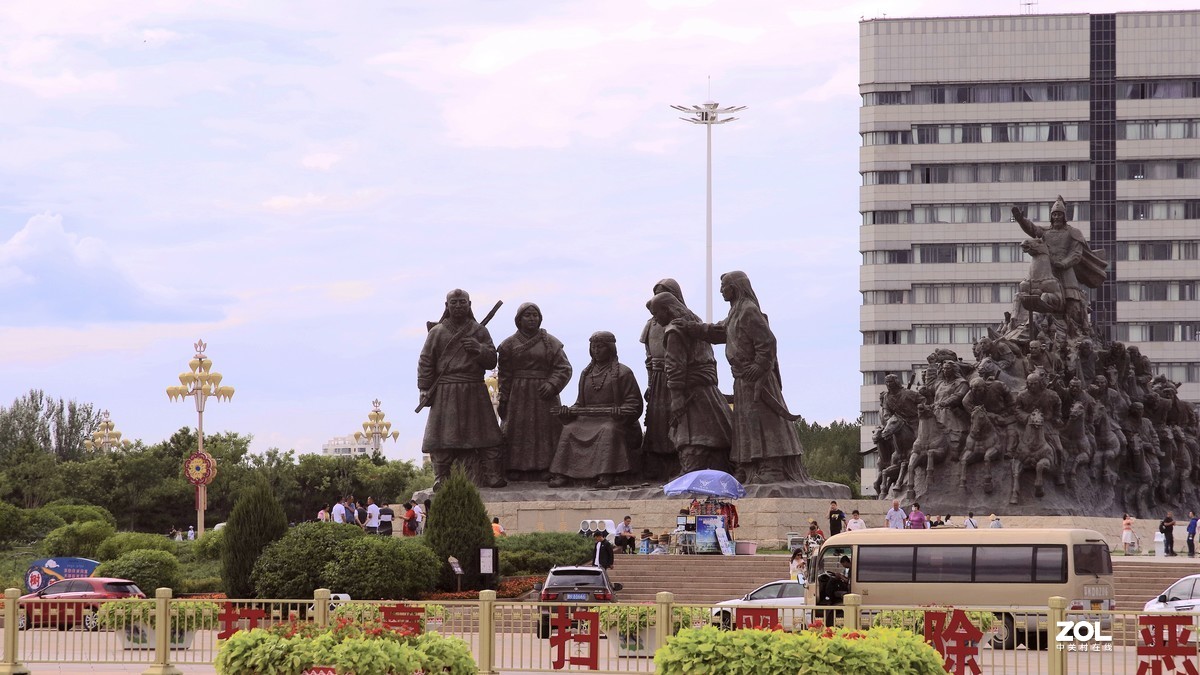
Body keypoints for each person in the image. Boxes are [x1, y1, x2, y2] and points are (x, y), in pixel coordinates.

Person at [681, 271, 810, 483]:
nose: (721, 290)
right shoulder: (735, 312)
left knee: (763, 421)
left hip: (757, 379)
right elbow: (718, 332)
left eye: (724, 286)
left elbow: (767, 341)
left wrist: (759, 366)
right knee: (745, 422)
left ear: (735, 286)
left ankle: (772, 467)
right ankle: (749, 466)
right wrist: (692, 328)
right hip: (741, 378)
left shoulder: (749, 310)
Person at [418, 289, 506, 490]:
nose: (458, 306)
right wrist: (424, 387)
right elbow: (426, 361)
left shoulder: (479, 331)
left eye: (462, 302)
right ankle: (441, 476)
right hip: (446, 390)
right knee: (441, 437)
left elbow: (492, 359)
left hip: (474, 388)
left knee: (488, 434)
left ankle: (492, 474)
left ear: (469, 304)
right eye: (454, 302)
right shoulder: (437, 332)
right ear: (447, 305)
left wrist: (479, 349)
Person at [646, 291, 733, 474]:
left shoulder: (674, 331)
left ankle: (691, 474)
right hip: (708, 391)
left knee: (691, 436)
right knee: (715, 432)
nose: (655, 319)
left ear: (667, 309)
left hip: (691, 393)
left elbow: (674, 366)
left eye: (656, 313)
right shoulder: (694, 322)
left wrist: (676, 397)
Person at [548, 332, 643, 489]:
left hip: (614, 420)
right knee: (569, 429)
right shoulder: (586, 374)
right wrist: (568, 411)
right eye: (593, 347)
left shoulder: (623, 372)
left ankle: (606, 474)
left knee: (608, 430)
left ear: (610, 349)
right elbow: (580, 404)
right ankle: (562, 474)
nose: (596, 350)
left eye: (600, 347)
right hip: (588, 419)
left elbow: (634, 404)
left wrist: (620, 412)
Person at [497, 302, 573, 482]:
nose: (532, 319)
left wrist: (553, 384)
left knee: (545, 430)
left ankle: (547, 467)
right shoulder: (508, 344)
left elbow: (564, 368)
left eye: (535, 315)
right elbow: (504, 374)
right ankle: (515, 467)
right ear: (519, 319)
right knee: (517, 429)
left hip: (543, 394)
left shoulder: (551, 342)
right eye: (528, 315)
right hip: (518, 394)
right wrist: (504, 397)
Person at [1012, 196, 1108, 335]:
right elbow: (1032, 229)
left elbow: (1076, 253)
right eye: (1054, 214)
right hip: (1048, 267)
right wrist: (1021, 220)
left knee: (1071, 299)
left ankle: (1076, 327)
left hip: (1066, 269)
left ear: (1064, 216)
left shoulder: (1073, 232)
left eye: (1059, 214)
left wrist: (1063, 263)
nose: (1056, 217)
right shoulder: (1045, 231)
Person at [640, 279, 690, 480]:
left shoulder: (683, 321)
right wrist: (650, 383)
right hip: (658, 378)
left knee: (676, 421)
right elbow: (649, 358)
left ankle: (679, 464)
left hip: (678, 379)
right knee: (656, 423)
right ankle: (656, 467)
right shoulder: (651, 324)